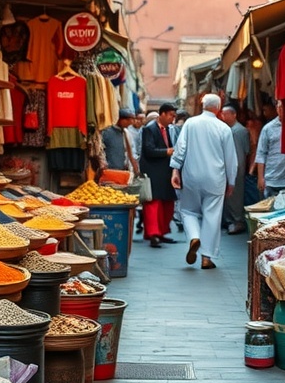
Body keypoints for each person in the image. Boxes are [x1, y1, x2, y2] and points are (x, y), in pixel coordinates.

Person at [170, 94, 237, 269]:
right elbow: (230, 158)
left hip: (191, 176)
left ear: (202, 105)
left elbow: (180, 147)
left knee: (188, 210)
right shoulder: (224, 128)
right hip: (215, 178)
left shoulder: (190, 123)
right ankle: (206, 257)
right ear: (218, 109)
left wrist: (175, 170)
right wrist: (232, 181)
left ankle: (194, 236)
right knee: (212, 215)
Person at [140, 103, 179, 248]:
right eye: (171, 115)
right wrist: (166, 152)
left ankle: (161, 232)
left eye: (174, 116)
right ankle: (153, 234)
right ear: (162, 114)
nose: (173, 119)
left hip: (165, 171)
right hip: (153, 171)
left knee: (167, 203)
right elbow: (148, 150)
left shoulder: (168, 129)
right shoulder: (149, 129)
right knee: (153, 203)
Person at [221, 105, 251, 234]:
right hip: (230, 167)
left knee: (235, 195)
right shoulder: (230, 130)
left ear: (234, 115)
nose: (223, 117)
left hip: (236, 168)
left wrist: (236, 169)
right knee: (230, 196)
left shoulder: (238, 131)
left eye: (225, 114)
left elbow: (241, 153)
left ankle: (237, 221)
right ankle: (230, 220)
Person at [254, 100, 285, 198]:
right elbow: (261, 154)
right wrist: (260, 177)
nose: (281, 110)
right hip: (271, 179)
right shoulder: (268, 128)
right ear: (277, 109)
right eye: (279, 107)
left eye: (284, 107)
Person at [100, 109, 138, 173]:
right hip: (110, 170)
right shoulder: (106, 132)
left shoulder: (125, 133)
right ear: (121, 120)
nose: (128, 125)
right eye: (128, 121)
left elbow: (129, 152)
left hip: (122, 169)